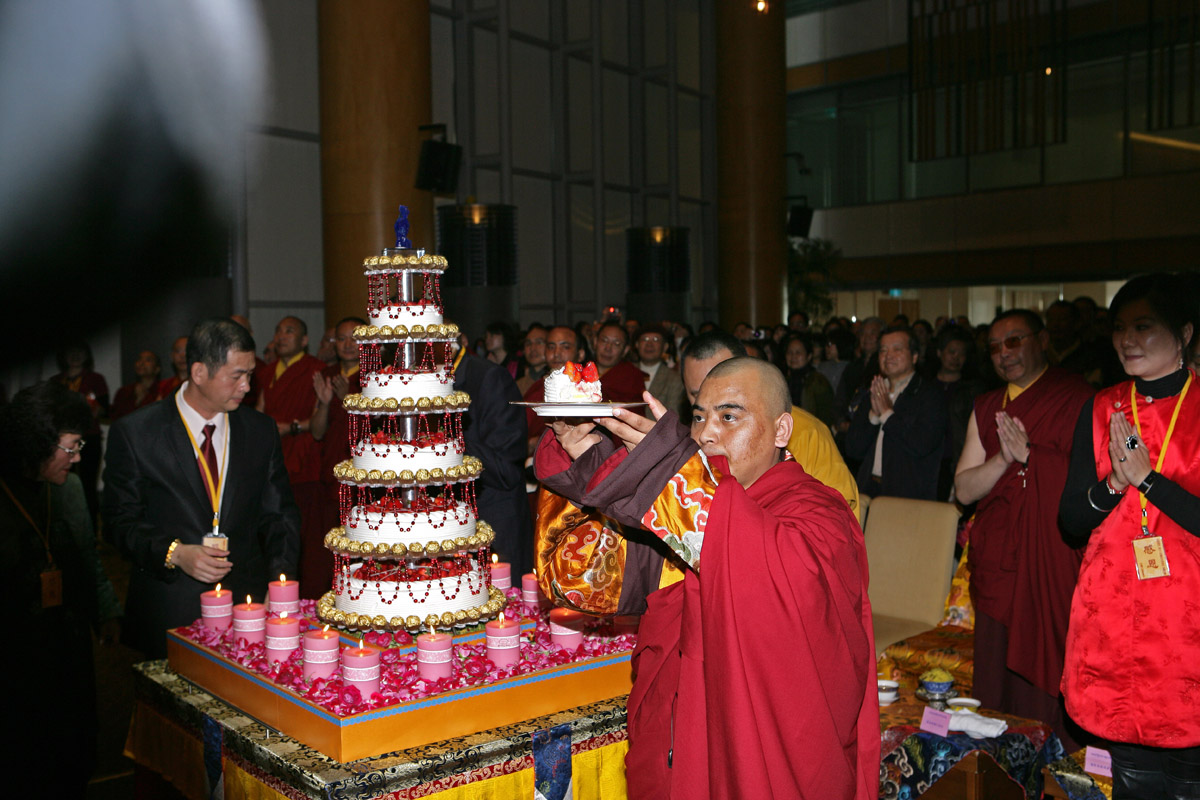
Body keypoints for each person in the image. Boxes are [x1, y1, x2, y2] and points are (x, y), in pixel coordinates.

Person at [534, 358, 878, 798]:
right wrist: (589, 458)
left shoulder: (820, 514)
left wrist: (669, 475)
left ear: (781, 431)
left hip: (758, 750)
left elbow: (782, 588)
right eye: (698, 417)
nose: (706, 435)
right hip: (680, 736)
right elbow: (589, 578)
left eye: (729, 417)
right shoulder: (691, 506)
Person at [1059, 273, 1200, 797]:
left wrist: (1149, 481)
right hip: (1113, 617)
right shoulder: (1102, 408)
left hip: (1187, 625)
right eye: (1120, 328)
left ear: (1184, 333)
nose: (1127, 340)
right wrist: (1115, 485)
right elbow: (1071, 521)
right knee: (1132, 779)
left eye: (1144, 326)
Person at [104, 318, 300, 658]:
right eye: (236, 375)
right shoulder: (138, 433)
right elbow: (119, 521)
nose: (246, 387)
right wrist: (175, 553)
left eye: (250, 374)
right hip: (169, 605)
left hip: (246, 606)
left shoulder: (259, 430)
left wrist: (280, 582)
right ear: (198, 372)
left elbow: (280, 515)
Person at [954, 309, 1093, 748]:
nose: (1004, 354)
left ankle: (1054, 757)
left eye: (1014, 341)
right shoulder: (987, 406)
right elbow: (963, 488)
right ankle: (999, 758)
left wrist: (1034, 456)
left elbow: (1095, 481)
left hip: (1052, 553)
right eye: (995, 347)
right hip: (998, 555)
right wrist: (1004, 458)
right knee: (996, 668)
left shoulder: (1079, 398)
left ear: (1042, 340)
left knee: (1048, 659)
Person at [0, 381, 123, 796]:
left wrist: (105, 610)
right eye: (71, 447)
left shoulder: (68, 487)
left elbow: (87, 554)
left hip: (67, 646)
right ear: (37, 443)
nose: (78, 458)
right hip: (16, 657)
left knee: (74, 754)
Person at [681, 330, 859, 520]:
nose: (706, 433)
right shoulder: (693, 436)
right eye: (696, 394)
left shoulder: (808, 432)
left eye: (728, 416)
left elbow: (838, 513)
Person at [452, 333, 534, 578]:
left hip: (491, 518)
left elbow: (505, 471)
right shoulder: (409, 382)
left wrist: (446, 434)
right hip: (441, 522)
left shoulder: (489, 377)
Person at [256, 315, 326, 596]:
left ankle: (306, 593)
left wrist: (293, 426)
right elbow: (261, 409)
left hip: (303, 455)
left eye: (289, 331)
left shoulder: (316, 370)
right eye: (278, 331)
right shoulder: (267, 371)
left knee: (305, 532)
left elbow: (321, 419)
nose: (281, 336)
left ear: (304, 340)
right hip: (273, 455)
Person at [846, 326, 946, 500]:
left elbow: (922, 444)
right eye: (883, 350)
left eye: (897, 349)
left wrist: (887, 414)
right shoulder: (875, 391)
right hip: (868, 488)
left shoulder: (929, 395)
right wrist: (873, 417)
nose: (888, 356)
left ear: (914, 356)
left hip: (907, 495)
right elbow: (853, 449)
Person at [310, 316, 365, 593]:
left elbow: (378, 431)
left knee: (359, 541)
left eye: (354, 338)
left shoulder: (376, 376)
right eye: (341, 339)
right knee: (329, 543)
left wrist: (348, 401)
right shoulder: (328, 375)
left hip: (363, 476)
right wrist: (324, 403)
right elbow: (317, 432)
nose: (347, 344)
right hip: (332, 471)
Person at [52, 340, 109, 522]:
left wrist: (95, 408)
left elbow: (106, 410)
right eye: (71, 351)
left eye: (80, 352)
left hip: (89, 438)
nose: (75, 356)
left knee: (87, 485)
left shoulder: (95, 379)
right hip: (59, 441)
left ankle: (90, 530)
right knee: (59, 485)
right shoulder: (55, 381)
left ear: (87, 356)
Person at [932, 326, 985, 501]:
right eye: (951, 352)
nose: (956, 358)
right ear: (939, 353)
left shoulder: (973, 390)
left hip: (956, 459)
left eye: (961, 354)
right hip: (929, 461)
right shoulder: (924, 387)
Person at [522, 324, 586, 453]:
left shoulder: (587, 390)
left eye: (565, 347)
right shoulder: (537, 387)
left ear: (580, 354)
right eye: (551, 347)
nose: (556, 353)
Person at [782, 332, 836, 428]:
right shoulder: (782, 381)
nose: (793, 356)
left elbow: (826, 414)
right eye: (790, 352)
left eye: (798, 353)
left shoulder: (818, 381)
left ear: (809, 356)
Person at [633, 324, 685, 418]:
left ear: (665, 347)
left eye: (656, 340)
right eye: (645, 339)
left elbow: (673, 417)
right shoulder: (625, 373)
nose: (649, 344)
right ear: (637, 345)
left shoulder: (674, 379)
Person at [593, 321, 648, 402]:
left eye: (616, 343)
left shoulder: (633, 377)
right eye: (604, 340)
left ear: (625, 350)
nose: (608, 348)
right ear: (595, 342)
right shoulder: (581, 372)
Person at [110, 349, 164, 420]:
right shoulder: (124, 391)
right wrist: (137, 401)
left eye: (148, 360)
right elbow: (116, 418)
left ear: (157, 369)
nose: (141, 363)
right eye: (139, 359)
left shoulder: (163, 390)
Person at [515, 323, 549, 395]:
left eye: (539, 342)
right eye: (528, 344)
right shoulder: (518, 386)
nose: (532, 348)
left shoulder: (558, 382)